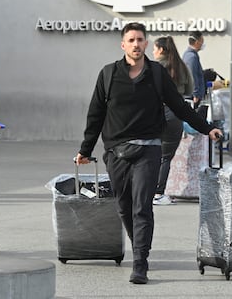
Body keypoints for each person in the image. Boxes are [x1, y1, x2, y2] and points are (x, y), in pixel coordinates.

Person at [75, 22, 222, 284]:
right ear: (123, 44)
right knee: (124, 206)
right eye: (131, 40)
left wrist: (207, 128)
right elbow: (95, 114)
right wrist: (85, 150)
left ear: (146, 43)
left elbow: (179, 106)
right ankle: (139, 244)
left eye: (140, 40)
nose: (136, 44)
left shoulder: (156, 73)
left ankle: (140, 262)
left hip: (149, 149)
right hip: (116, 152)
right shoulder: (108, 74)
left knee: (142, 206)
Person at [152, 36, 194, 205]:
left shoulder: (153, 68)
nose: (153, 52)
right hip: (175, 114)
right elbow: (190, 90)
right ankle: (158, 193)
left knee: (149, 154)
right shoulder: (181, 66)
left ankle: (149, 191)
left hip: (154, 114)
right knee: (165, 157)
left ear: (161, 50)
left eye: (154, 49)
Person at [182, 31, 206, 108]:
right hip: (192, 97)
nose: (203, 44)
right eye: (202, 41)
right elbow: (192, 75)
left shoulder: (190, 55)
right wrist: (195, 94)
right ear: (196, 42)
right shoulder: (191, 57)